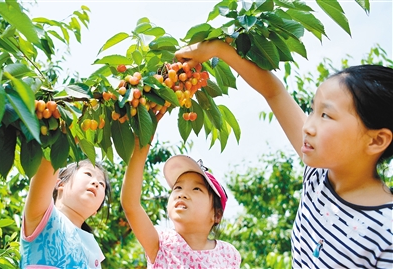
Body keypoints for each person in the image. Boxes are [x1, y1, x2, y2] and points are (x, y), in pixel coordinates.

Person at [175, 40, 393, 268]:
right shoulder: (319, 175)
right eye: (312, 110)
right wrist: (218, 50)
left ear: (377, 140)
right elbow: (274, 92)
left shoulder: (387, 231)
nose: (308, 126)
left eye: (326, 115)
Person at [121, 138, 241, 268]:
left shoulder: (228, 254)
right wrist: (141, 146)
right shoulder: (161, 242)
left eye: (196, 189)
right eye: (178, 187)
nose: (182, 194)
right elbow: (131, 204)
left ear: (216, 215)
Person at [20, 158, 111, 268]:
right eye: (88, 174)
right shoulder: (45, 216)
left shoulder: (93, 250)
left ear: (96, 210)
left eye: (102, 184)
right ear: (60, 183)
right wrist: (63, 142)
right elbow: (47, 163)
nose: (96, 183)